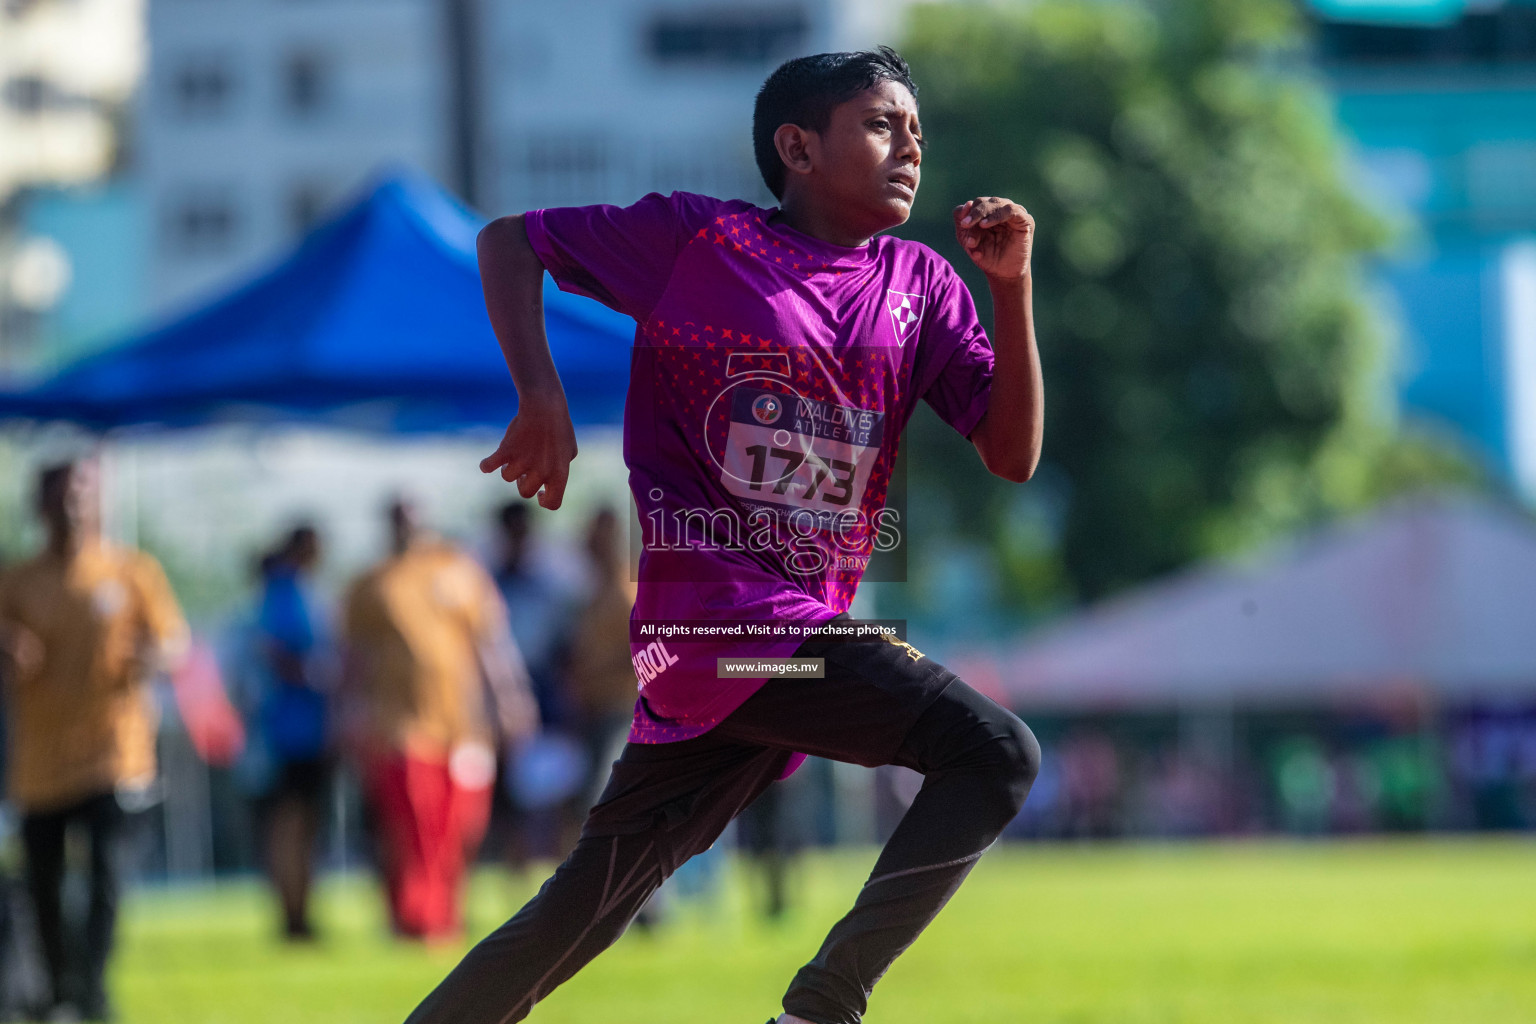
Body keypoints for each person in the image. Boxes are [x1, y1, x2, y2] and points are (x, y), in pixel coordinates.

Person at [407, 46, 1044, 1024]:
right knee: (993, 747)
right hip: (725, 630)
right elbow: (508, 242)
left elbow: (1011, 453)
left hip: (768, 660)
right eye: (882, 125)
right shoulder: (694, 241)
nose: (910, 146)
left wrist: (1010, 287)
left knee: (584, 907)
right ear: (798, 146)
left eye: (917, 131)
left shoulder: (921, 285)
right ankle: (824, 1005)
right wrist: (541, 397)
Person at [0, 459, 189, 1021]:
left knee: (107, 878)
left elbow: (173, 646)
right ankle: (56, 989)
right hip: (40, 761)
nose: (73, 507)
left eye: (82, 494)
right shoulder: (17, 581)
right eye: (61, 496)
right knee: (44, 886)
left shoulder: (131, 571)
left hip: (114, 753)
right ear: (41, 508)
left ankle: (93, 989)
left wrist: (146, 657)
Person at [339, 496, 538, 942]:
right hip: (397, 727)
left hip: (461, 725)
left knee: (460, 826)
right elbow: (353, 656)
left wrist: (510, 699)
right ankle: (418, 919)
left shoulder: (461, 572)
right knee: (413, 824)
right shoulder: (371, 584)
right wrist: (345, 712)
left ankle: (444, 912)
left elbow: (491, 644)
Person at [247, 524, 331, 941]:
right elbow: (274, 651)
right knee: (291, 825)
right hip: (289, 732)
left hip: (307, 731)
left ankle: (300, 911)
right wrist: (317, 678)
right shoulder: (284, 592)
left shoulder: (301, 592)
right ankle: (292, 916)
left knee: (302, 827)